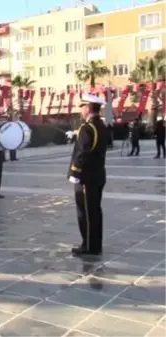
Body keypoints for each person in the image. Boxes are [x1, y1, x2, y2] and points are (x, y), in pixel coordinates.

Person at [67, 93, 108, 256]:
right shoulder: (101, 126)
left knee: (86, 212)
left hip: (86, 177)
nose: (81, 110)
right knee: (95, 211)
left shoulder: (87, 128)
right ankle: (95, 244)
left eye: (82, 107)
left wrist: (74, 171)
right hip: (98, 175)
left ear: (87, 108)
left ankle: (89, 246)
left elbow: (83, 152)